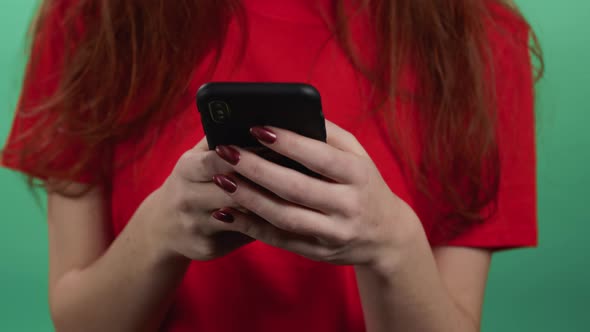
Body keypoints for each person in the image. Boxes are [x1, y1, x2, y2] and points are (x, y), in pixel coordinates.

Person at [1, 0, 540, 331]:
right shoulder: (95, 14)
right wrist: (159, 232)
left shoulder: (477, 36)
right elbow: (81, 323)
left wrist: (393, 246)